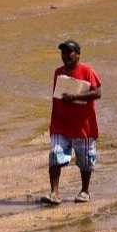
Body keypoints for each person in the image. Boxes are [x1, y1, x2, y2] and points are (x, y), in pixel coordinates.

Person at [45, 40, 102, 205]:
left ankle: (85, 191)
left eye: (69, 52)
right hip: (60, 123)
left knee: (85, 160)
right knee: (55, 155)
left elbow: (98, 92)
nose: (65, 56)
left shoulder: (87, 71)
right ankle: (54, 193)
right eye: (63, 53)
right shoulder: (58, 72)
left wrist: (75, 97)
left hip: (83, 125)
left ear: (77, 54)